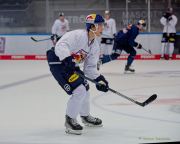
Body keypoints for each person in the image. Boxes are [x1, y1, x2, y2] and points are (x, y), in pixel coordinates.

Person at [46, 14, 109, 135]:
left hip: (70, 63)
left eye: (102, 25)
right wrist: (66, 58)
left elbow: (89, 67)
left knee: (85, 87)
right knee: (79, 90)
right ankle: (69, 120)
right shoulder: (78, 35)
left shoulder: (95, 45)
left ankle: (85, 116)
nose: (102, 27)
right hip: (58, 62)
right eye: (100, 25)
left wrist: (99, 80)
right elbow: (61, 45)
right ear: (92, 26)